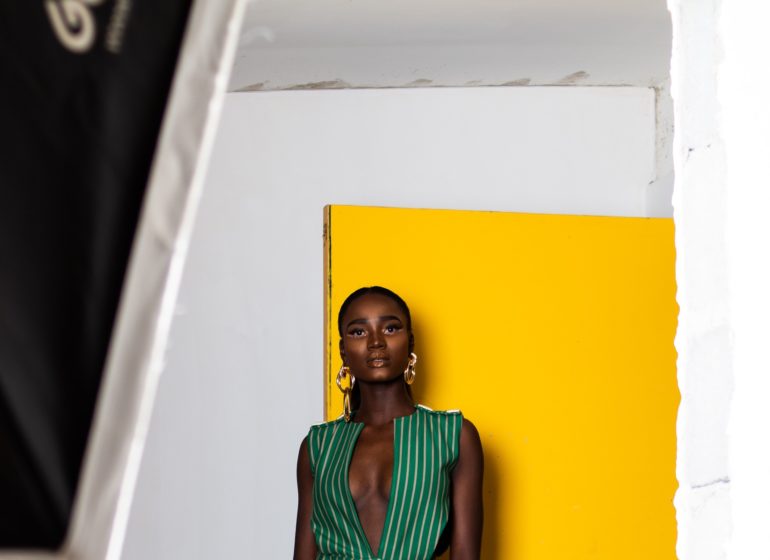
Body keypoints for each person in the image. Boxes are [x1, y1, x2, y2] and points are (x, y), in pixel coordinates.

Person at [294, 286, 484, 559]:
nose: (376, 342)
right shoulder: (318, 446)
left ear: (410, 343)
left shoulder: (453, 436)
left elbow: (466, 554)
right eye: (359, 332)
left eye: (390, 328)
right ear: (344, 351)